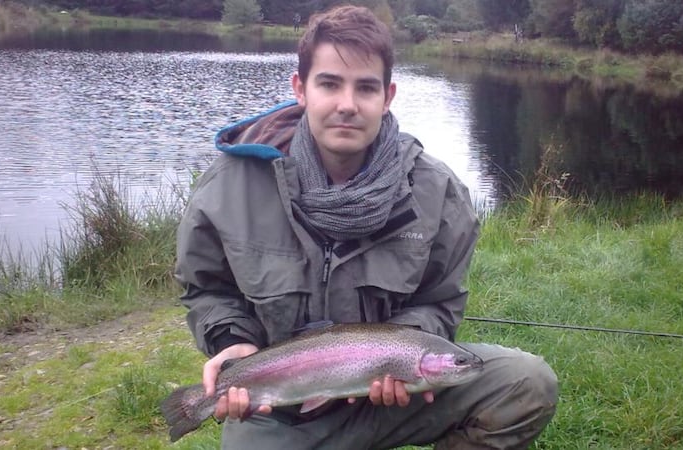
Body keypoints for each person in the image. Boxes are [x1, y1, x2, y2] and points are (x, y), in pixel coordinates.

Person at [174, 5, 558, 449]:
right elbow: (206, 289)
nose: (347, 105)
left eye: (366, 88)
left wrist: (407, 347)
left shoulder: (437, 192)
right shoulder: (229, 186)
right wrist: (232, 340)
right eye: (330, 84)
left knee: (526, 381)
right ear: (300, 89)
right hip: (279, 407)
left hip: (393, 399)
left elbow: (441, 302)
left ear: (388, 96)